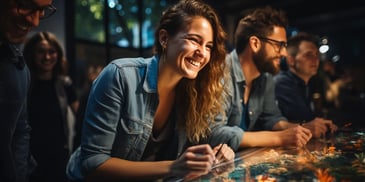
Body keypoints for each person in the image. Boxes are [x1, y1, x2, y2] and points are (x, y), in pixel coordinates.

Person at [66, 0, 237, 181]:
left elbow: (200, 145)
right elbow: (93, 162)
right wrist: (174, 166)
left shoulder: (195, 92)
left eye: (208, 46)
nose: (202, 53)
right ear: (164, 39)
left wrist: (220, 152)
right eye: (194, 40)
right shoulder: (120, 75)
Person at [223, 6, 334, 149]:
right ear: (255, 43)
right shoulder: (221, 72)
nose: (284, 53)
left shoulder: (266, 77)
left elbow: (271, 118)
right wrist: (279, 138)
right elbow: (216, 133)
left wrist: (301, 129)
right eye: (279, 45)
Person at [0, 1, 56, 182]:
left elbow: (20, 132)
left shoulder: (17, 68)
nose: (35, 22)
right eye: (26, 4)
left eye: (42, 10)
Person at [23, 31, 79, 182]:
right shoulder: (24, 84)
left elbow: (81, 117)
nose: (47, 57)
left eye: (51, 51)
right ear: (32, 55)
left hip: (60, 158)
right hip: (29, 159)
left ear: (58, 54)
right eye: (41, 52)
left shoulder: (65, 84)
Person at [274, 32, 337, 138]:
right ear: (291, 60)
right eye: (308, 55)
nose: (315, 60)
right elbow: (306, 118)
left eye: (316, 54)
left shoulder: (305, 83)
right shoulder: (282, 83)